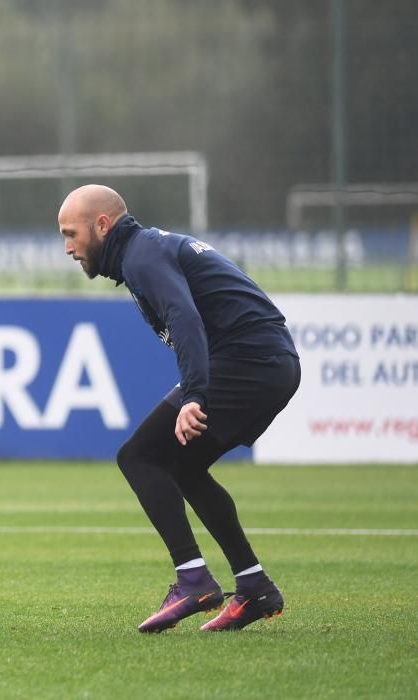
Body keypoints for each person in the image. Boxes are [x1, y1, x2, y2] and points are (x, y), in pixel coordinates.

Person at [57, 185, 301, 633]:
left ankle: (193, 579)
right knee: (182, 466)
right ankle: (255, 587)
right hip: (269, 361)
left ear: (102, 225)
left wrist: (195, 396)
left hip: (251, 360)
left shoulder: (141, 254)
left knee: (139, 456)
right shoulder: (145, 250)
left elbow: (185, 318)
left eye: (71, 234)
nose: (68, 247)